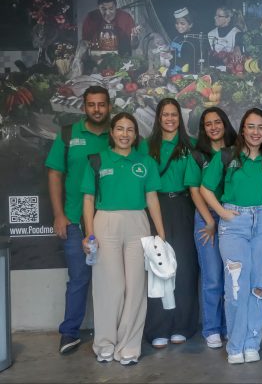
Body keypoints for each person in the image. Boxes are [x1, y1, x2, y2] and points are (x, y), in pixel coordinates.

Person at [81, 112, 165, 365]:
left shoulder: (146, 162)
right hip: (105, 222)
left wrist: (161, 233)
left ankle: (129, 345)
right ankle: (105, 343)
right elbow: (88, 199)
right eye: (120, 129)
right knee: (109, 286)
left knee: (135, 286)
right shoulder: (97, 161)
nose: (125, 134)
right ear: (112, 132)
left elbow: (152, 198)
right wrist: (89, 234)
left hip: (138, 223)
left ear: (136, 134)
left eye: (130, 130)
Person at [200, 108, 262, 364]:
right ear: (242, 129)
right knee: (236, 287)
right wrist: (223, 212)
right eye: (251, 126)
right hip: (234, 224)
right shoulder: (226, 155)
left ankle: (252, 343)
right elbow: (205, 188)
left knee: (258, 286)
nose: (256, 132)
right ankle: (235, 346)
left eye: (261, 128)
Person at [46, 86, 111, 354]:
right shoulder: (68, 134)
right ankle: (69, 333)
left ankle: (112, 331)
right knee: (79, 278)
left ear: (109, 106)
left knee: (112, 279)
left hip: (109, 220)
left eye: (102, 104)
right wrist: (59, 214)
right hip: (74, 220)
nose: (97, 109)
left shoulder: (119, 132)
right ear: (83, 106)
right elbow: (54, 174)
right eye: (91, 104)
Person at [142, 98, 199, 349]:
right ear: (158, 118)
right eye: (165, 114)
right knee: (157, 267)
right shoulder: (146, 146)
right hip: (154, 207)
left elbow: (197, 186)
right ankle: (158, 327)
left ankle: (182, 325)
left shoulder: (190, 145)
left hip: (183, 206)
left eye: (174, 114)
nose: (170, 119)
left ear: (180, 118)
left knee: (184, 268)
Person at [184, 107, 237, 349]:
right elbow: (195, 190)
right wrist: (210, 221)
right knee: (213, 276)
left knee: (232, 275)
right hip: (208, 218)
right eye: (208, 124)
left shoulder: (239, 150)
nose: (214, 127)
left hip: (235, 215)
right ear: (203, 129)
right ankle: (212, 328)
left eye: (218, 122)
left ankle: (230, 326)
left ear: (225, 124)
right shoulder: (198, 155)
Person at [170, 7, 210, 74]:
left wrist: (170, 57)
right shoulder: (176, 38)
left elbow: (188, 63)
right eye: (177, 23)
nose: (179, 26)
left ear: (190, 25)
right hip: (173, 71)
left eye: (182, 23)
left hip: (186, 74)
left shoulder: (193, 39)